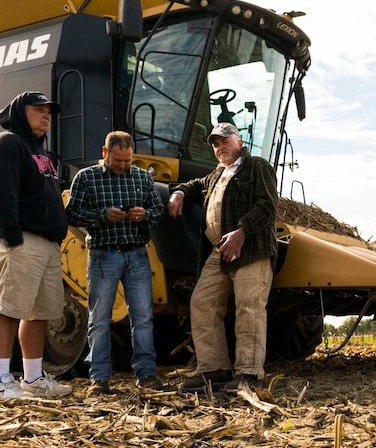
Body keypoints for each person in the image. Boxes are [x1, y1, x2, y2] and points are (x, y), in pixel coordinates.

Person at [167, 123, 279, 393]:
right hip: (220, 251)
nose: (220, 147)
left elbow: (268, 204)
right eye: (215, 144)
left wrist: (241, 232)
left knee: (249, 308)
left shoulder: (257, 166)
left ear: (239, 142)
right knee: (202, 301)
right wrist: (179, 192)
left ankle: (249, 374)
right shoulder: (217, 175)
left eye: (225, 141)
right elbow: (193, 184)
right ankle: (214, 368)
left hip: (251, 247)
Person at [0, 91, 74, 401]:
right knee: (7, 309)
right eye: (39, 110)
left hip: (45, 242)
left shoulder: (42, 153)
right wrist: (11, 238)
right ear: (21, 111)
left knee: (38, 314)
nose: (46, 116)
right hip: (20, 239)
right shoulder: (6, 144)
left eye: (49, 111)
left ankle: (32, 379)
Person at [65, 131, 165, 396]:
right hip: (102, 254)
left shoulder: (143, 177)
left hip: (137, 254)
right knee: (99, 318)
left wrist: (144, 215)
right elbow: (71, 213)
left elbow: (158, 213)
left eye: (127, 161)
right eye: (118, 160)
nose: (123, 165)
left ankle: (146, 375)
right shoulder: (86, 178)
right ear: (104, 152)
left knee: (142, 316)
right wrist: (102, 216)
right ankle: (99, 379)